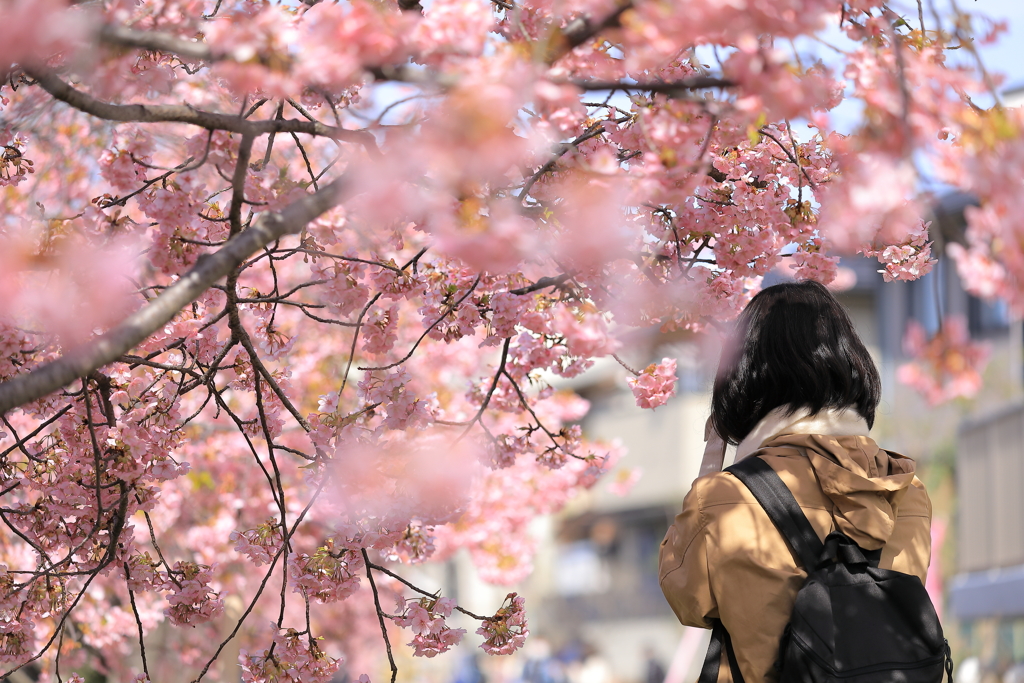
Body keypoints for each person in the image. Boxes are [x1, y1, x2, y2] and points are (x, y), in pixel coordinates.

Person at [658, 280, 933, 683]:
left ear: (745, 377)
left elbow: (688, 600)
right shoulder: (906, 489)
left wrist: (712, 465)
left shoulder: (727, 498)